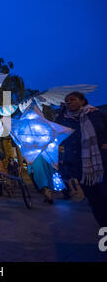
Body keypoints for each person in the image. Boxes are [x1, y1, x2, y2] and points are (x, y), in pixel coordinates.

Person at [56, 92, 107, 227]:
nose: (69, 102)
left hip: (102, 163)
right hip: (81, 168)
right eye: (67, 100)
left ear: (82, 101)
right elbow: (58, 134)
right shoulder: (64, 119)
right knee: (95, 202)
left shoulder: (96, 114)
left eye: (72, 99)